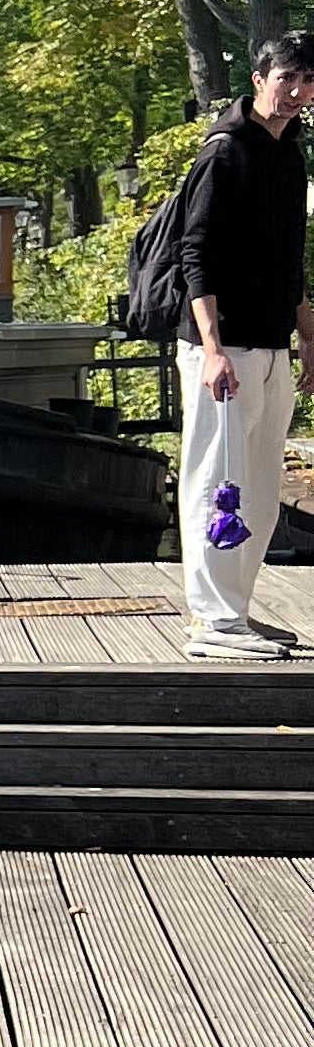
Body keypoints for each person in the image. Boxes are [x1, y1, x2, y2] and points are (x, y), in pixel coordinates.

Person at [177, 33, 314, 658]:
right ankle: (212, 621)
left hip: (270, 345)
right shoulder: (225, 151)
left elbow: (289, 259)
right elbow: (195, 255)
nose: (298, 91)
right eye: (288, 77)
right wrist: (212, 350)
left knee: (258, 487)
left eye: (308, 81)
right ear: (259, 78)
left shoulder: (289, 153)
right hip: (224, 349)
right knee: (217, 479)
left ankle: (235, 610)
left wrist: (306, 335)